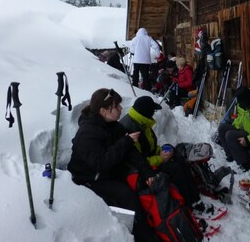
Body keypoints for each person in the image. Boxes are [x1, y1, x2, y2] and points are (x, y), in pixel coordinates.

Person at [67, 88, 160, 242]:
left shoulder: (114, 126)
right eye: (116, 106)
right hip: (88, 179)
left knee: (140, 183)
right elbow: (101, 163)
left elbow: (131, 152)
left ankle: (154, 224)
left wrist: (147, 172)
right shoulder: (87, 133)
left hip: (109, 172)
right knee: (127, 195)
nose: (121, 109)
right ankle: (146, 237)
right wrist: (126, 141)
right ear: (104, 111)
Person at [119, 96, 206, 210]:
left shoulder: (143, 123)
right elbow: (136, 160)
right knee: (175, 169)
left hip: (149, 161)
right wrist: (160, 158)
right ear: (146, 112)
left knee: (179, 159)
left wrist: (162, 151)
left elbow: (150, 147)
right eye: (153, 111)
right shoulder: (131, 129)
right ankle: (189, 203)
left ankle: (195, 197)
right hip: (140, 171)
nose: (154, 113)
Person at [217, 86, 250, 171]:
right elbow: (241, 117)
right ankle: (231, 155)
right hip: (245, 129)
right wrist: (235, 125)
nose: (245, 107)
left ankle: (245, 163)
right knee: (222, 128)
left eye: (246, 106)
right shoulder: (242, 102)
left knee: (229, 135)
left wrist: (248, 139)